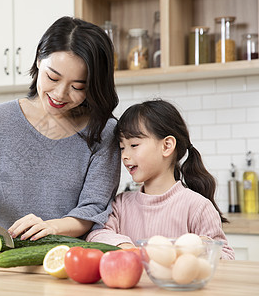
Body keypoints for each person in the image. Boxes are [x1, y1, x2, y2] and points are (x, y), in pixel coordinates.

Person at [0, 16, 121, 241]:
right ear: (39, 58)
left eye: (78, 87)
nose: (60, 94)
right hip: (7, 260)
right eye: (52, 77)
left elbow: (92, 210)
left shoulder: (104, 132)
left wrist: (51, 228)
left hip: (71, 264)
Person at [87, 99, 234, 260]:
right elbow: (97, 234)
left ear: (167, 146)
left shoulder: (198, 207)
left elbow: (226, 257)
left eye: (134, 145)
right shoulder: (121, 205)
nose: (125, 156)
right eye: (122, 147)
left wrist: (203, 247)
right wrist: (126, 247)